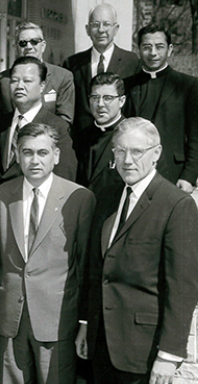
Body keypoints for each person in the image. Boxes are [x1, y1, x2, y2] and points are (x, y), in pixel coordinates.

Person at [75, 117, 198, 384]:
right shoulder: (107, 197)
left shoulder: (177, 205)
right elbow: (96, 270)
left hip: (144, 351)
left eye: (137, 151)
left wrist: (168, 354)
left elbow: (183, 288)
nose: (127, 160)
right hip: (101, 344)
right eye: (120, 150)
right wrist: (86, 323)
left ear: (157, 153)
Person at [0, 123, 95, 384]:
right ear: (16, 154)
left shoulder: (79, 198)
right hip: (11, 319)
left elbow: (84, 266)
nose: (34, 160)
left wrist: (83, 321)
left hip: (56, 318)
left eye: (42, 152)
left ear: (56, 155)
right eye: (27, 152)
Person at [124, 24, 198, 192]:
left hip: (172, 172)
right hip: (134, 171)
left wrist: (189, 175)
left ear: (170, 49)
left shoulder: (188, 85)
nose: (153, 53)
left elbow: (196, 136)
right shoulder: (127, 85)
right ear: (138, 49)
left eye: (159, 47)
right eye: (147, 47)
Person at [0, 57, 76, 190]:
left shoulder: (57, 127)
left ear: (42, 86)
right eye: (14, 81)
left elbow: (65, 179)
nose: (19, 86)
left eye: (27, 81)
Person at [63, 3, 140, 151]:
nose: (101, 30)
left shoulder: (131, 62)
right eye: (95, 24)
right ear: (87, 30)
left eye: (106, 24)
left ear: (116, 29)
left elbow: (133, 105)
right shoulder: (73, 63)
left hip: (117, 141)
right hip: (81, 144)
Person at [0, 22, 75, 126]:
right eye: (23, 43)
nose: (29, 46)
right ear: (16, 48)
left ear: (43, 46)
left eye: (34, 42)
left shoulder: (62, 77)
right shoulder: (3, 80)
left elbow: (64, 120)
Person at [76, 72, 126, 194]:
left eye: (108, 98)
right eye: (95, 97)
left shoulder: (131, 135)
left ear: (121, 101)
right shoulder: (81, 136)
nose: (100, 104)